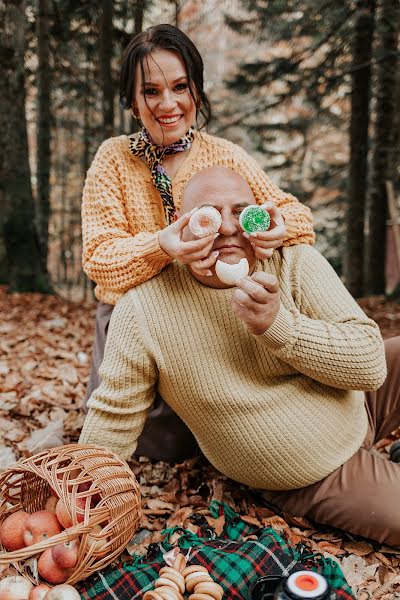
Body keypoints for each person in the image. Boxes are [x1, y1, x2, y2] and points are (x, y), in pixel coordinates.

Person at [79, 165, 400, 547]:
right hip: (315, 471)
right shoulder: (144, 307)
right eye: (210, 216)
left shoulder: (293, 260)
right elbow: (113, 416)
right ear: (182, 225)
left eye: (241, 212)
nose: (229, 228)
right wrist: (81, 501)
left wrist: (278, 325)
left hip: (357, 408)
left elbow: (369, 365)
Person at [81, 24, 315, 461]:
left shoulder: (225, 155)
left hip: (209, 315)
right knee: (153, 447)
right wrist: (161, 248)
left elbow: (296, 214)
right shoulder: (114, 159)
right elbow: (98, 258)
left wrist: (277, 226)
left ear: (196, 91)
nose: (167, 104)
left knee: (215, 438)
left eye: (180, 87)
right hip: (134, 320)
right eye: (150, 91)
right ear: (133, 103)